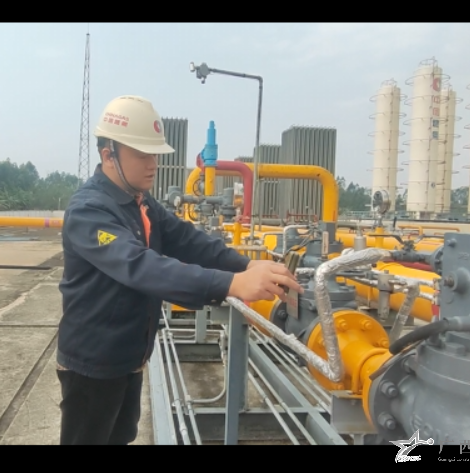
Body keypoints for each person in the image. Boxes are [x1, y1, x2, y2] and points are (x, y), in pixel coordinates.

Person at [56, 95, 303, 445]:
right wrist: (232, 283)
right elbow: (142, 267)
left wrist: (246, 263)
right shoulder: (90, 210)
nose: (153, 164)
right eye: (142, 154)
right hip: (93, 365)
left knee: (120, 437)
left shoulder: (140, 202)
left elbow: (187, 240)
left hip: (129, 357)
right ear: (109, 155)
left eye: (155, 154)